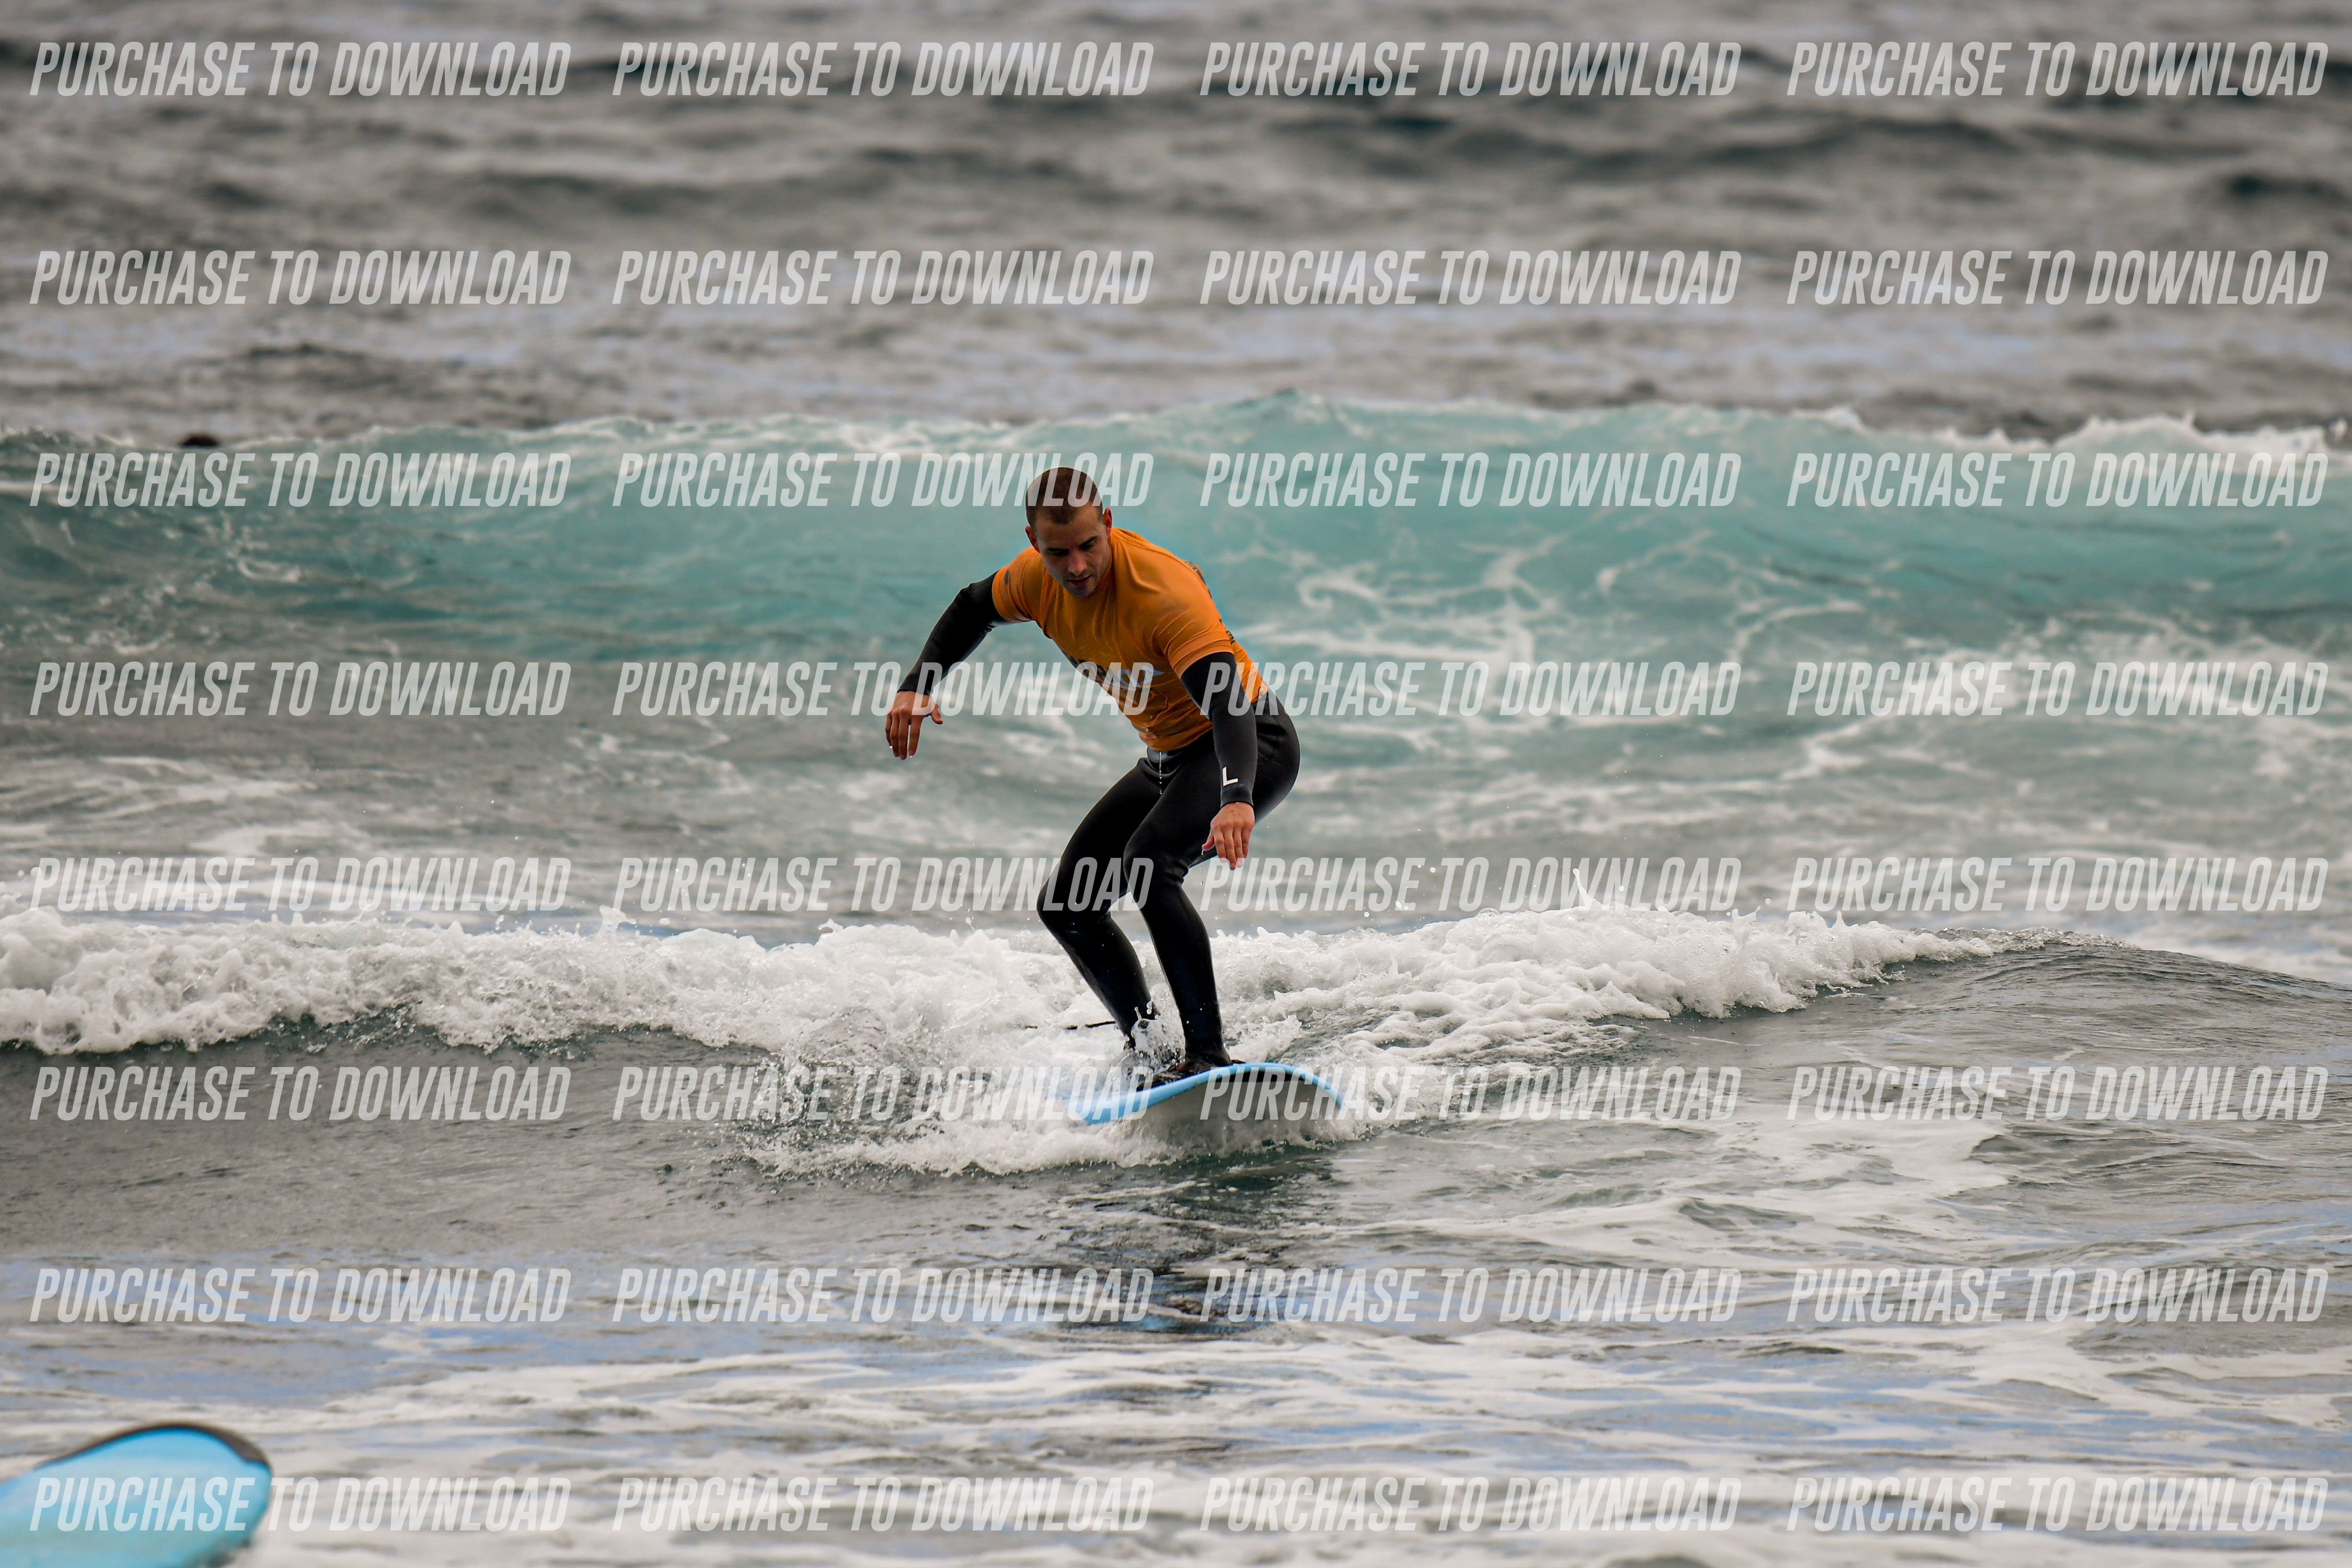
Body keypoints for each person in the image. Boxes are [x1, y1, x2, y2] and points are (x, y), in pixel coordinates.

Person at [885, 467, 1299, 1086]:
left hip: (1249, 743)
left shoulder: (1163, 592)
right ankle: (1151, 1049)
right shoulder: (1034, 580)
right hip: (1169, 756)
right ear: (1034, 543)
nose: (1076, 566)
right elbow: (973, 606)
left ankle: (1208, 1054)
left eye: (1088, 545)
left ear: (1107, 523)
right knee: (1069, 904)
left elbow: (1227, 703)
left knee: (1150, 864)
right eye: (1058, 553)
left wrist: (1236, 797)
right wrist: (918, 684)